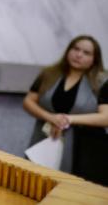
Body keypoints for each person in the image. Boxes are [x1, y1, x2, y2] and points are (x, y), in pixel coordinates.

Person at [23, 35, 108, 185]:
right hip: (45, 138)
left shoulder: (101, 81)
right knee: (34, 183)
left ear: (95, 59)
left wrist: (69, 119)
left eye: (86, 53)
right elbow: (29, 101)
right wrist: (50, 117)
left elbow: (105, 117)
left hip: (85, 148)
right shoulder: (49, 74)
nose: (78, 55)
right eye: (76, 49)